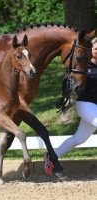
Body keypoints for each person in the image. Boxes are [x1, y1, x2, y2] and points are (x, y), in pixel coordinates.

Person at [44, 37, 97, 175]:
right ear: (91, 50)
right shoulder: (83, 67)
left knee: (79, 139)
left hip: (95, 108)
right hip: (85, 104)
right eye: (96, 48)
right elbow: (70, 82)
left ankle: (52, 156)